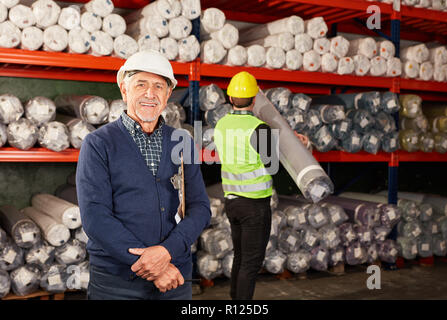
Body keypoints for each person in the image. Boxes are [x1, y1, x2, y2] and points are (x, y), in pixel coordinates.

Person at [76, 50, 211, 300]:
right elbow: (95, 217)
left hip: (175, 278)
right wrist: (153, 266)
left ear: (168, 94)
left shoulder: (182, 141)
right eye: (141, 84)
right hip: (118, 282)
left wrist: (166, 253)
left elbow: (201, 207)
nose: (150, 94)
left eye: (159, 86)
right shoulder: (98, 144)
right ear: (124, 89)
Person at [214, 71, 309, 300]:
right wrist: (294, 144)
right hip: (254, 206)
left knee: (240, 257)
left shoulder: (221, 125)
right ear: (254, 100)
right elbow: (271, 163)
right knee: (250, 263)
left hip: (232, 202)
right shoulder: (259, 128)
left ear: (229, 98)